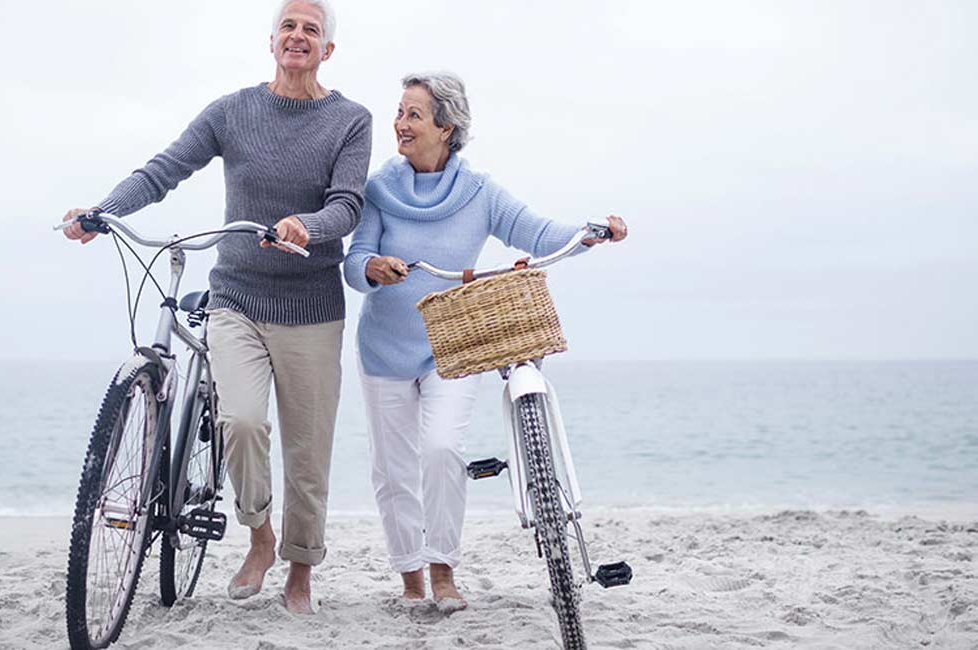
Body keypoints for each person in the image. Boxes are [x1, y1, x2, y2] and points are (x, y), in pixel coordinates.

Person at [60, 0, 371, 613]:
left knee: (307, 454)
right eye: (289, 26)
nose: (298, 36)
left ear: (327, 50)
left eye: (312, 30)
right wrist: (104, 211)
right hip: (237, 296)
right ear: (272, 40)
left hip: (312, 307)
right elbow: (164, 169)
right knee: (242, 422)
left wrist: (308, 227)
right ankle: (259, 536)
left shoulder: (350, 120)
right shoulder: (232, 111)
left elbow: (348, 206)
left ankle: (300, 574)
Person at [341, 71, 628, 612]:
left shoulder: (478, 191)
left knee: (443, 448)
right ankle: (409, 577)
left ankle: (443, 568)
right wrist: (374, 268)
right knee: (393, 468)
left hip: (453, 349)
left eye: (414, 114)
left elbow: (538, 233)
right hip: (384, 348)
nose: (400, 123)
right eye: (399, 112)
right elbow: (354, 262)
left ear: (446, 128)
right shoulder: (378, 189)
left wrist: (591, 233)